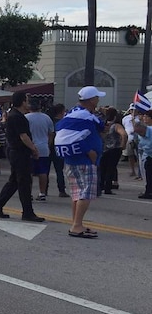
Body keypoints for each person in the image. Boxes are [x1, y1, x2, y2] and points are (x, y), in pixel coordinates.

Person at [54, 86, 105, 238]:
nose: (98, 100)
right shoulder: (85, 115)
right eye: (97, 98)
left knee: (76, 194)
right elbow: (100, 127)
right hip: (84, 160)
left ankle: (77, 223)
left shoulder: (71, 114)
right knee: (85, 193)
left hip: (71, 159)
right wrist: (90, 152)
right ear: (91, 100)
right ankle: (77, 226)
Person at [0, 91, 45, 222]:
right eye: (26, 99)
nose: (28, 102)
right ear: (22, 101)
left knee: (14, 182)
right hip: (20, 152)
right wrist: (34, 149)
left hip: (16, 152)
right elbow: (23, 136)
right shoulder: (17, 117)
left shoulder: (14, 115)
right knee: (24, 182)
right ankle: (27, 212)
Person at [25, 99, 54, 201]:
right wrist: (48, 144)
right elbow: (51, 133)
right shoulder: (47, 118)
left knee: (30, 172)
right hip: (43, 147)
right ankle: (42, 193)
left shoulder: (26, 118)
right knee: (43, 171)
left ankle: (29, 193)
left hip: (30, 147)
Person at [99, 107, 127, 195]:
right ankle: (108, 187)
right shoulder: (116, 125)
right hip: (115, 148)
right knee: (111, 168)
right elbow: (124, 134)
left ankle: (100, 186)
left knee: (103, 168)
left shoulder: (104, 125)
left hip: (104, 148)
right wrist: (123, 145)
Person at [133, 109, 152, 199]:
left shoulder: (151, 131)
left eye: (141, 132)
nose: (141, 135)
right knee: (148, 174)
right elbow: (141, 145)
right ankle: (148, 192)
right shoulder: (140, 134)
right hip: (148, 156)